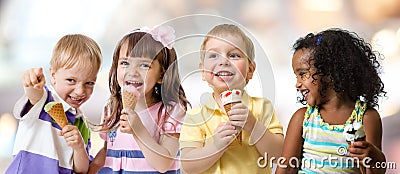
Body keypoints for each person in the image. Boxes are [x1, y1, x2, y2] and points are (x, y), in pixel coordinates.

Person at [276, 28, 387, 173]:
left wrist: (372, 156)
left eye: (302, 74)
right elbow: (287, 168)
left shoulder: (367, 118)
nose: (297, 83)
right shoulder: (303, 118)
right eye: (297, 76)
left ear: (329, 72)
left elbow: (374, 171)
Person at [179, 24, 284, 173]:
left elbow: (280, 155)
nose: (224, 62)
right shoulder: (195, 116)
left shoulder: (262, 107)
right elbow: (188, 166)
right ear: (203, 71)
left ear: (250, 70)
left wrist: (253, 125)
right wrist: (216, 146)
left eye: (234, 55)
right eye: (214, 55)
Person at [88, 25, 190, 174]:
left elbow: (163, 164)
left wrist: (138, 130)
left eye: (144, 65)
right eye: (125, 63)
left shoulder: (170, 111)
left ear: (162, 75)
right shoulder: (112, 108)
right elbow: (106, 153)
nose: (132, 72)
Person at [6, 34, 102, 174]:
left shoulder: (82, 123)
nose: (80, 91)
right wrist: (32, 83)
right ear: (53, 75)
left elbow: (81, 170)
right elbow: (34, 94)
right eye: (71, 80)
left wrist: (79, 147)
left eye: (89, 83)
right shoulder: (44, 100)